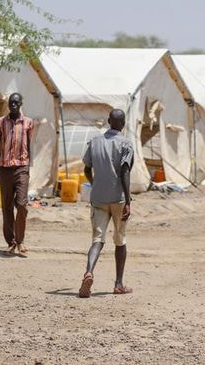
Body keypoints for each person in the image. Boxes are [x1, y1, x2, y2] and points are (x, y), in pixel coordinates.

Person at [78, 109, 134, 298]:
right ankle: (118, 284)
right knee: (120, 240)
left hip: (98, 198)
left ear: (109, 121)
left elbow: (87, 168)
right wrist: (128, 200)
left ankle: (89, 272)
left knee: (97, 240)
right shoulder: (126, 143)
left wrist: (95, 184)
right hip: (118, 198)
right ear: (123, 124)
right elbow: (125, 172)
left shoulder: (94, 142)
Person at [0, 93, 34, 257]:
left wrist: (29, 166)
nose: (12, 105)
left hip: (21, 168)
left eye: (15, 102)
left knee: (21, 204)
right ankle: (11, 242)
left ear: (21, 103)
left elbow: (29, 144)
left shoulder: (28, 122)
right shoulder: (0, 122)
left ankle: (20, 240)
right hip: (4, 169)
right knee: (7, 207)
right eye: (10, 103)